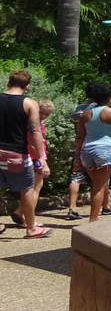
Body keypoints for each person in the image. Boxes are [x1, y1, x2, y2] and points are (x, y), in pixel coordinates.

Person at [0, 70, 49, 238]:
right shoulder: (29, 103)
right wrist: (41, 157)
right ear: (26, 86)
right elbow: (35, 131)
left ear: (9, 82)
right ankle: (31, 228)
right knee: (27, 190)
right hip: (17, 154)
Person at [78, 82, 111, 222]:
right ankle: (93, 220)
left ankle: (94, 217)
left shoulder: (85, 114)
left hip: (87, 150)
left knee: (96, 184)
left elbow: (80, 137)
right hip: (104, 149)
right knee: (100, 186)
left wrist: (77, 157)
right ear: (108, 97)